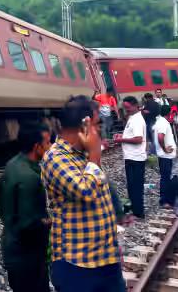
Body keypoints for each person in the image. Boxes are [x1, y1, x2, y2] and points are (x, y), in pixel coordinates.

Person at [41, 96, 123, 292]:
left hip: (105, 258)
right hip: (77, 263)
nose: (99, 130)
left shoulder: (82, 155)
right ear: (85, 125)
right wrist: (95, 154)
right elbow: (85, 191)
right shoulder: (55, 158)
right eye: (97, 124)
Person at [0, 123, 51, 292]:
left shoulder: (13, 163)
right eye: (47, 143)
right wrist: (50, 222)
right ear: (36, 147)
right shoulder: (31, 178)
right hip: (27, 256)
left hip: (11, 245)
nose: (50, 147)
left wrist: (8, 217)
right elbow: (30, 225)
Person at [114, 96, 147, 219]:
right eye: (125, 107)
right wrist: (121, 135)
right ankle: (135, 208)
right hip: (131, 157)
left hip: (136, 158)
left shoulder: (137, 120)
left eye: (127, 107)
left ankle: (139, 212)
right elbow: (132, 135)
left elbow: (138, 139)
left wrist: (121, 139)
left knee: (136, 186)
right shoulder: (133, 118)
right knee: (132, 185)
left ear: (134, 106)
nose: (126, 110)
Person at [154, 104, 177, 207]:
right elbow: (160, 137)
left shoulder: (161, 121)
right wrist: (165, 148)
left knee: (166, 177)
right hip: (165, 155)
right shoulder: (163, 122)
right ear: (170, 113)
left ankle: (166, 199)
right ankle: (164, 200)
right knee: (165, 178)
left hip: (164, 155)